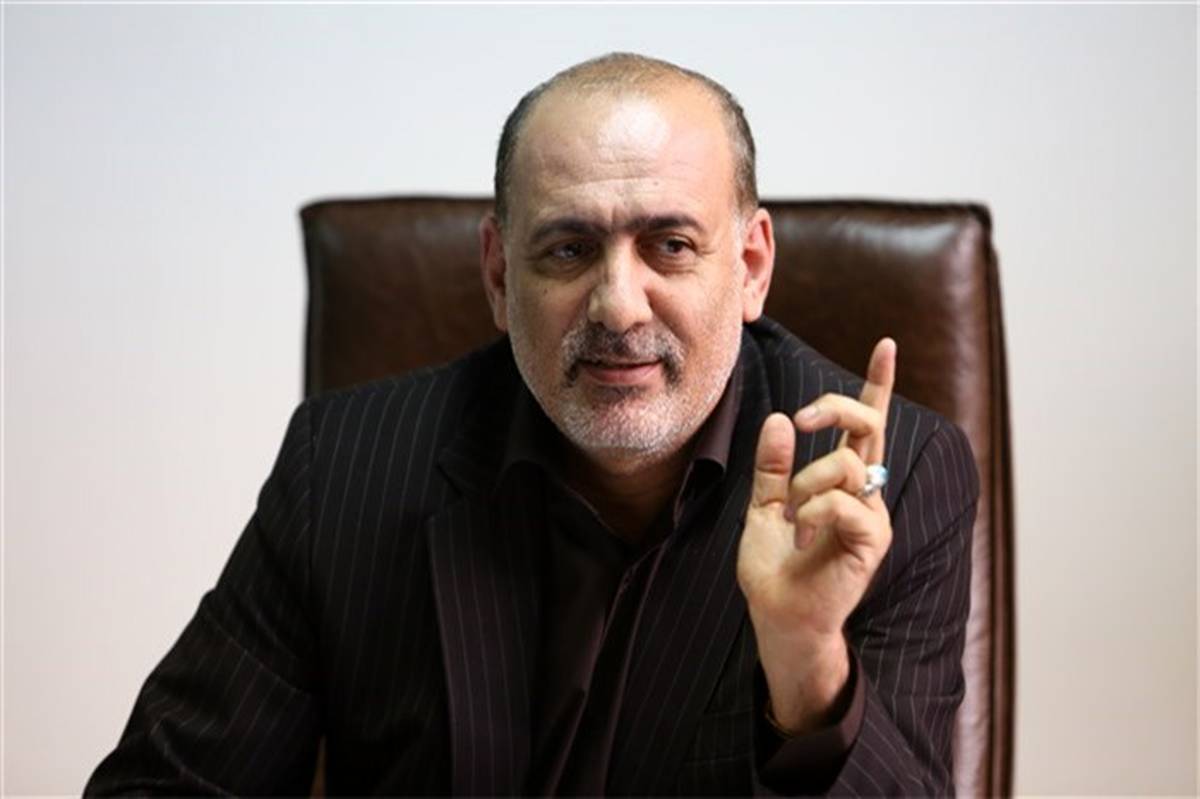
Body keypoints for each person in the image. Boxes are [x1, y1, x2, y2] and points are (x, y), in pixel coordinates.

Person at [87, 53, 978, 796]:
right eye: (569, 248)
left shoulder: (886, 479)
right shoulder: (346, 465)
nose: (619, 304)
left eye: (670, 245)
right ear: (499, 275)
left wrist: (808, 669)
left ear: (749, 266)